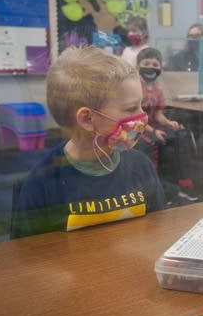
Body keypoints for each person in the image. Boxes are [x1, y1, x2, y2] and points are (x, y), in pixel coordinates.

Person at [11, 46, 167, 238]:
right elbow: (27, 254)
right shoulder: (43, 182)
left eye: (140, 105)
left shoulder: (140, 166)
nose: (142, 116)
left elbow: (158, 229)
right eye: (131, 108)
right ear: (87, 119)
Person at [134, 47, 199, 203]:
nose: (151, 67)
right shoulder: (135, 88)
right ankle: (155, 190)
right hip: (137, 128)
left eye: (155, 65)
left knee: (180, 137)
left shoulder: (158, 89)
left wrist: (169, 123)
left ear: (161, 69)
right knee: (153, 143)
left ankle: (182, 184)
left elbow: (158, 114)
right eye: (146, 63)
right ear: (137, 66)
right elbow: (136, 116)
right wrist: (153, 130)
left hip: (152, 127)